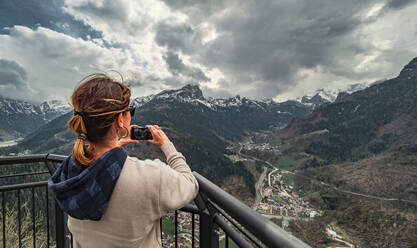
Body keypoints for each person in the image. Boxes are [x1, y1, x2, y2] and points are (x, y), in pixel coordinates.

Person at [48, 74, 199, 247]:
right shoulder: (150, 176)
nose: (131, 116)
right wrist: (167, 145)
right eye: (130, 111)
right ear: (120, 120)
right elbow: (190, 183)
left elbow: (100, 165)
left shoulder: (70, 171)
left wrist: (116, 145)